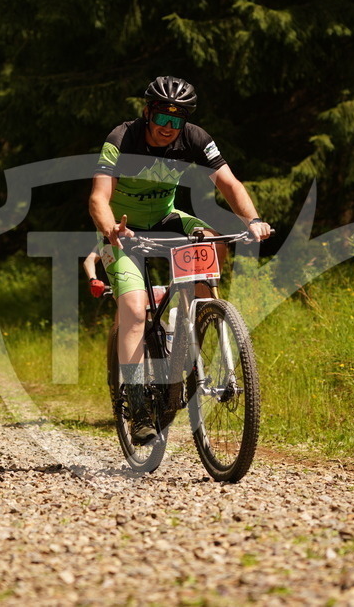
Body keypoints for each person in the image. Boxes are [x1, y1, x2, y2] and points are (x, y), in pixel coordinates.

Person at [88, 76, 272, 445]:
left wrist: (252, 220)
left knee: (213, 239)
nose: (168, 129)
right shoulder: (122, 138)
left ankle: (196, 321)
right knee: (135, 312)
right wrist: (111, 230)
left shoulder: (196, 139)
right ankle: (138, 407)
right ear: (147, 113)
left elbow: (230, 183)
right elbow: (98, 197)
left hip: (166, 220)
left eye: (177, 121)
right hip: (123, 232)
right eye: (162, 119)